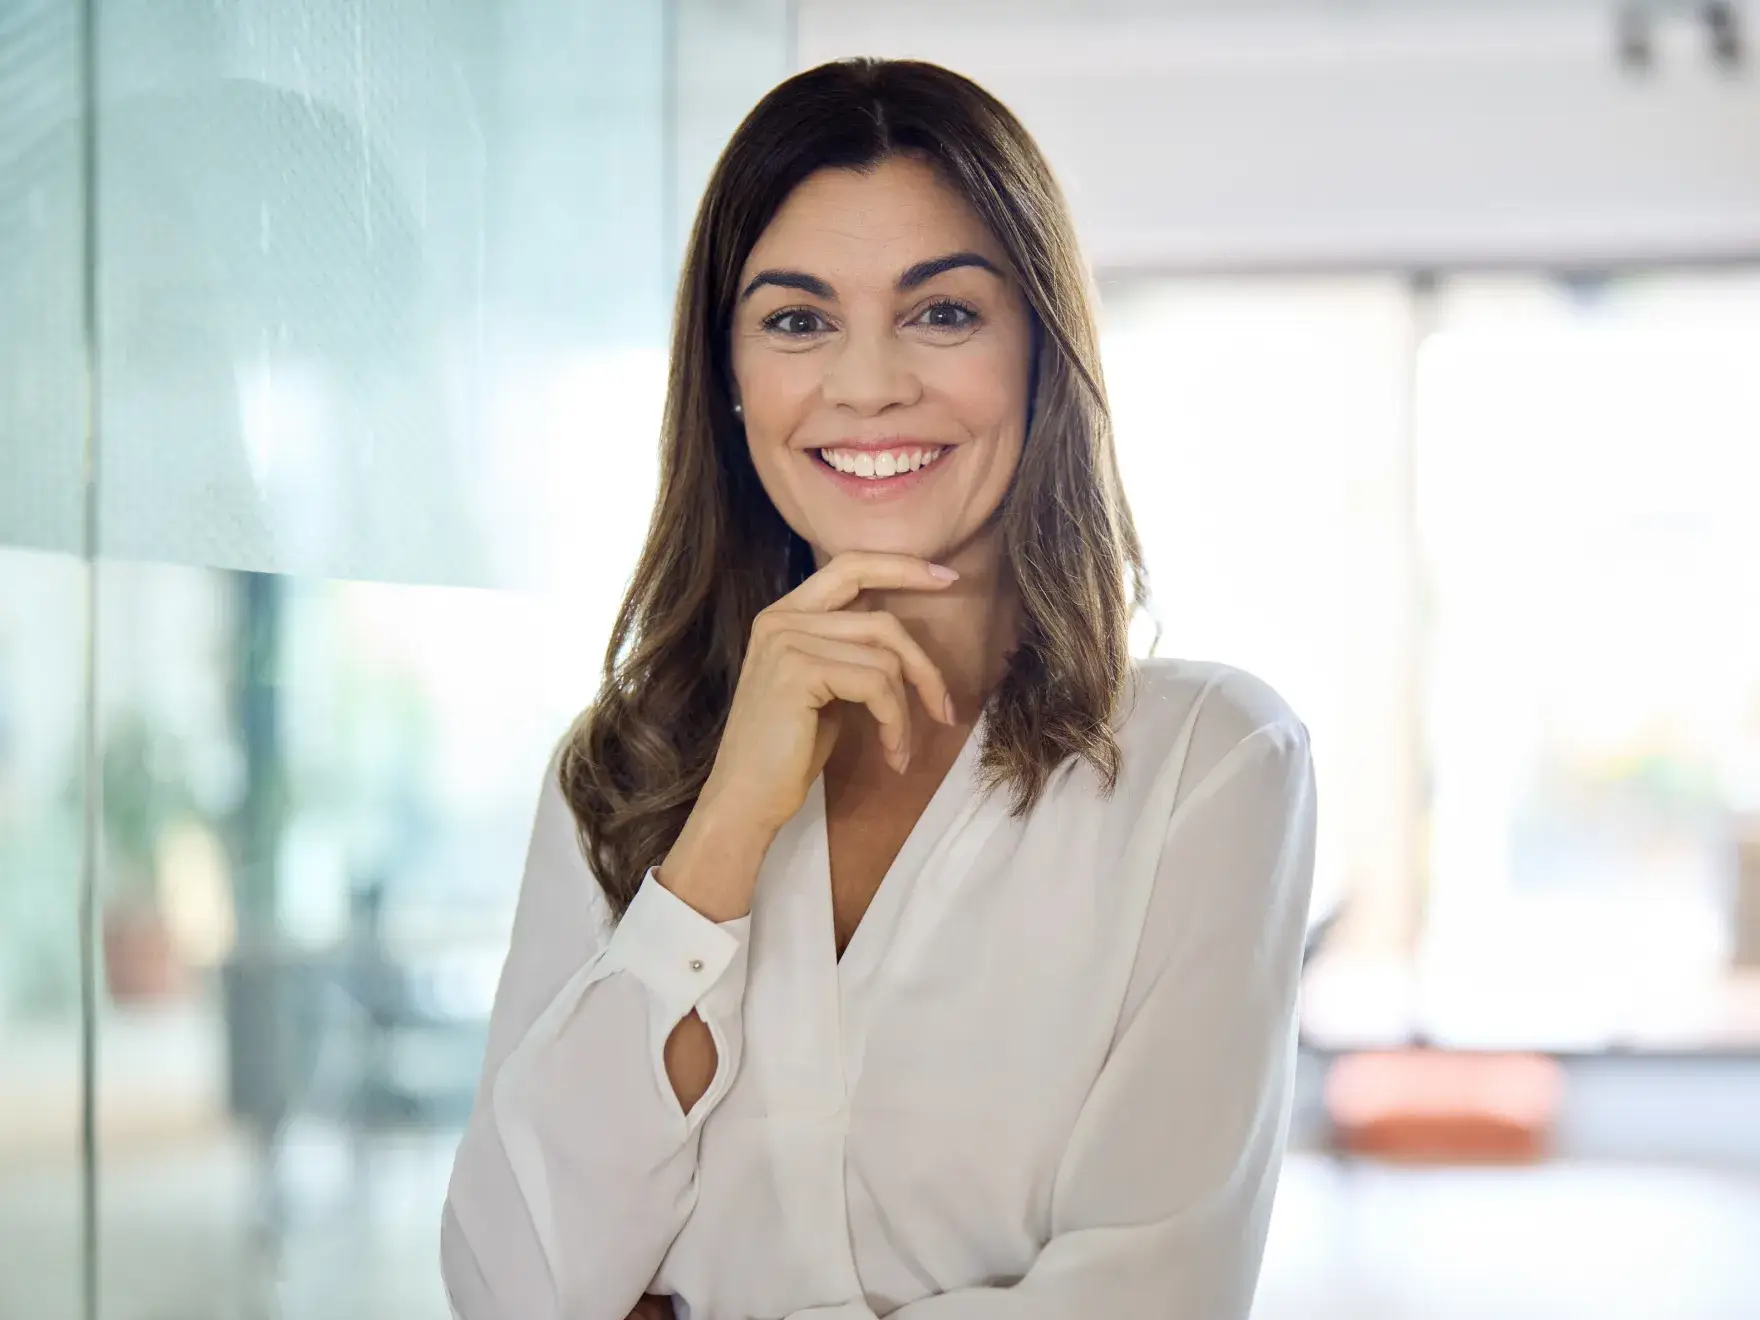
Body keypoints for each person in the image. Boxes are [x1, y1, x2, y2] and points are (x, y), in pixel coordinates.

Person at [441, 57, 1316, 1320]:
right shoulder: (622, 768)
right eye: (797, 320)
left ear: (1039, 354)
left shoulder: (1207, 765)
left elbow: (1152, 1294)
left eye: (941, 313)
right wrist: (723, 832)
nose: (866, 385)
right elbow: (507, 1285)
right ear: (729, 379)